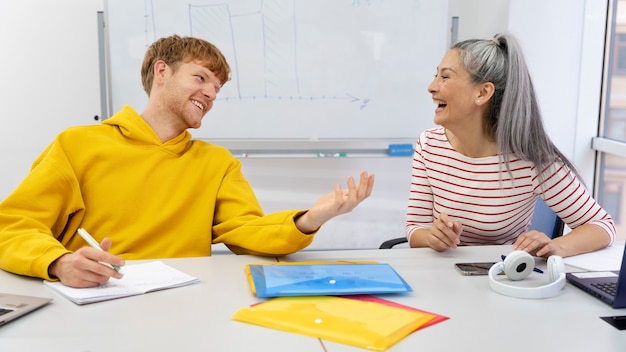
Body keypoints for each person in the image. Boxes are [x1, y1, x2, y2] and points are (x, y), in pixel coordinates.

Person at [0, 35, 375, 288]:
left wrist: (309, 219)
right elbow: (12, 227)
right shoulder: (78, 144)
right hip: (98, 299)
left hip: (188, 302)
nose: (211, 94)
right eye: (201, 77)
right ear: (162, 72)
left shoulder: (216, 163)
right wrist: (58, 262)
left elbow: (247, 231)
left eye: (217, 88)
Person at [406, 33, 615, 258]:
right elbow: (414, 228)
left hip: (501, 277)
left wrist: (558, 246)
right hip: (440, 276)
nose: (431, 86)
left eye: (445, 77)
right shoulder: (429, 145)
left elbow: (601, 225)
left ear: (482, 92)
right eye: (436, 75)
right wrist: (432, 238)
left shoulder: (534, 160)